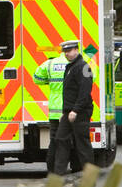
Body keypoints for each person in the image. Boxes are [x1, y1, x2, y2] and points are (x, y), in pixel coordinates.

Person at [33, 45, 83, 172]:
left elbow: (36, 78)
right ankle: (76, 167)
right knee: (77, 140)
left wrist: (49, 82)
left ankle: (52, 169)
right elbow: (91, 78)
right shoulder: (78, 65)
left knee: (55, 142)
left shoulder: (50, 63)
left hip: (55, 112)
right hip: (72, 109)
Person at [49, 40, 94, 176]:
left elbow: (85, 91)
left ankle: (89, 175)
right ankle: (58, 174)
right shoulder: (71, 67)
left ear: (76, 50)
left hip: (80, 111)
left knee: (82, 144)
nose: (67, 54)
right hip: (69, 111)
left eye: (69, 51)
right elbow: (68, 92)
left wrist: (75, 110)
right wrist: (65, 112)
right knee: (60, 139)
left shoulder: (84, 67)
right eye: (65, 52)